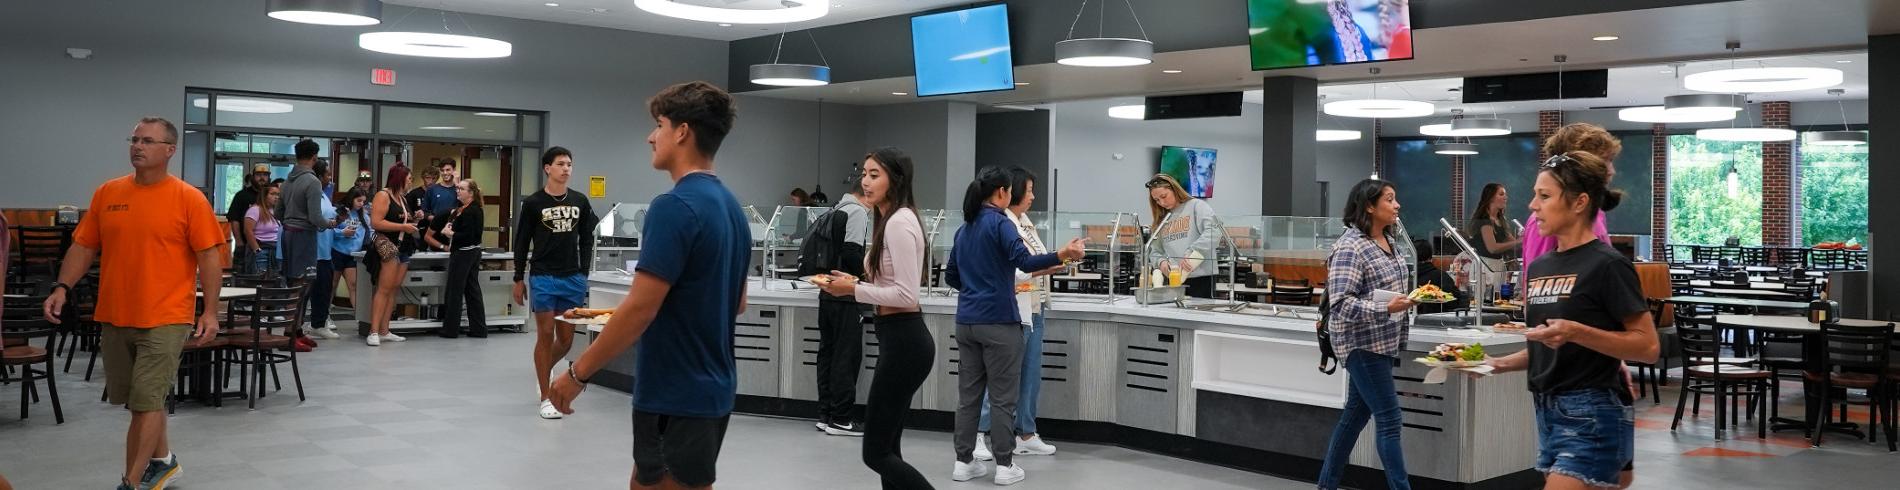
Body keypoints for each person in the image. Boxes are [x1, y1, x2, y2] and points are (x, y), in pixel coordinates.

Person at [546, 81, 751, 490]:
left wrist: (577, 373)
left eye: (659, 124)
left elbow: (641, 309)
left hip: (676, 392)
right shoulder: (731, 207)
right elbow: (738, 302)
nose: (651, 136)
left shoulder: (673, 207)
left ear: (682, 132)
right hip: (713, 388)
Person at [43, 117, 224, 490]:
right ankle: (164, 461)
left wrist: (209, 311)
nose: (137, 146)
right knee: (139, 401)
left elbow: (209, 257)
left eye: (148, 141)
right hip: (116, 314)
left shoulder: (189, 198)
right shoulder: (108, 193)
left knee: (145, 402)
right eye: (135, 139)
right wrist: (62, 286)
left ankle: (132, 481)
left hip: (167, 316)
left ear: (170, 150)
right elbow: (84, 246)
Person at [1484, 150, 1658, 490]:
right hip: (1547, 410)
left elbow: (1648, 347)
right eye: (1536, 194)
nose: (1533, 205)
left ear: (1579, 202)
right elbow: (1552, 345)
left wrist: (1578, 332)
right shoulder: (1540, 267)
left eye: (1544, 196)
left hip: (1591, 411)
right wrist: (1496, 365)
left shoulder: (1608, 265)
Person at [943, 166, 1086, 486]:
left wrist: (977, 288)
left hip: (966, 322)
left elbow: (951, 275)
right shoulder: (1001, 223)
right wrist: (1063, 254)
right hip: (1000, 323)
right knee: (1003, 397)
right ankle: (1005, 465)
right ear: (1003, 193)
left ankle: (963, 461)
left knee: (968, 397)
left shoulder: (965, 228)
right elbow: (1026, 262)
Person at [814, 147, 932, 489]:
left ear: (895, 179)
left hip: (906, 342)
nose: (865, 181)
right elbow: (889, 284)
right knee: (888, 449)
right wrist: (856, 282)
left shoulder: (898, 223)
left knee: (875, 453)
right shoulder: (889, 219)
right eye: (864, 174)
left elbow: (906, 295)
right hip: (896, 337)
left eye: (874, 174)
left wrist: (853, 291)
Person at [1317, 179, 1420, 490]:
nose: (1397, 205)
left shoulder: (1389, 243)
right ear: (1370, 207)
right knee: (1389, 420)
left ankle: (1326, 485)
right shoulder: (1350, 247)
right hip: (1362, 345)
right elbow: (1342, 304)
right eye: (1390, 199)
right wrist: (1387, 309)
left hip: (1384, 342)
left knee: (1354, 418)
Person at [973, 167, 1061, 462]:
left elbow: (1032, 262)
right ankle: (979, 434)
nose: (1033, 196)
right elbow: (1015, 268)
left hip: (1035, 308)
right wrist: (1051, 263)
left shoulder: (1025, 223)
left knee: (1030, 376)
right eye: (1030, 189)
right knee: (1001, 379)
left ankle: (1026, 432)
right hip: (1012, 310)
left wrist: (1050, 265)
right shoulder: (1002, 223)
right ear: (1010, 192)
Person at [513, 146, 599, 419]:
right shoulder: (534, 203)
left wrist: (583, 272)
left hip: (571, 276)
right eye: (561, 164)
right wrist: (518, 277)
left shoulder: (580, 201)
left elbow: (587, 237)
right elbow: (522, 241)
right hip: (543, 275)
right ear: (547, 168)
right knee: (545, 334)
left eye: (569, 164)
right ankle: (545, 396)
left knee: (565, 340)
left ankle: (544, 369)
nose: (566, 169)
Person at [814, 166, 872, 437]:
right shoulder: (858, 212)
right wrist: (866, 277)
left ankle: (825, 414)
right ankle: (841, 418)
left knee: (827, 352)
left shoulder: (836, 208)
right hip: (846, 295)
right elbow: (851, 252)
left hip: (826, 290)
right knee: (846, 356)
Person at [1521, 123, 1620, 278]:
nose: (1611, 170)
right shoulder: (1544, 221)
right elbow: (1538, 288)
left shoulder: (1595, 213)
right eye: (1605, 161)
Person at [365, 165, 419, 346]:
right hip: (389, 246)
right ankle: (373, 331)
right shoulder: (383, 195)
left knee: (393, 290)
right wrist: (403, 227)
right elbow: (376, 222)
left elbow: (401, 220)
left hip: (404, 247)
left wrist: (414, 220)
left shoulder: (402, 198)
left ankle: (385, 330)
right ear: (400, 178)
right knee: (384, 289)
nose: (411, 181)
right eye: (409, 178)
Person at [429, 178, 489, 339]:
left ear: (470, 193)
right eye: (457, 188)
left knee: (455, 291)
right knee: (472, 290)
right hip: (471, 252)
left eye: (461, 189)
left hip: (464, 252)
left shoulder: (471, 211)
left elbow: (470, 235)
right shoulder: (466, 209)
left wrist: (451, 234)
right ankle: (479, 328)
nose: (458, 191)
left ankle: (450, 329)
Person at [1144, 174, 1221, 298]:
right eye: (1157, 200)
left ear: (1174, 189)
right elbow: (1155, 251)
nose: (1162, 203)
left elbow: (1214, 232)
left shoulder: (1197, 206)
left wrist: (1193, 251)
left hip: (1201, 278)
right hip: (1175, 279)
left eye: (1164, 196)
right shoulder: (1162, 219)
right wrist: (1161, 262)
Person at [303, 161, 343, 340]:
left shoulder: (324, 195)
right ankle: (299, 325)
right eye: (327, 174)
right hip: (313, 251)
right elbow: (315, 219)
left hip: (326, 250)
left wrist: (339, 217)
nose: (330, 177)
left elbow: (328, 217)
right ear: (319, 176)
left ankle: (318, 324)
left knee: (324, 289)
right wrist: (330, 222)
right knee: (307, 290)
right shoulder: (312, 193)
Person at [280, 139, 324, 282]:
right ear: (314, 157)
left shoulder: (286, 182)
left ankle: (289, 305)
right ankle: (295, 306)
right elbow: (315, 218)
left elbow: (277, 213)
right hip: (304, 234)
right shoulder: (313, 181)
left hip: (287, 234)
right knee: (304, 282)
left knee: (291, 279)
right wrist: (331, 223)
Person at [226, 163, 271, 273]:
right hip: (245, 245)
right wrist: (239, 241)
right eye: (258, 174)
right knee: (243, 278)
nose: (262, 178)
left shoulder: (272, 196)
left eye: (265, 175)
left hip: (269, 246)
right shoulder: (242, 195)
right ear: (253, 177)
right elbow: (234, 220)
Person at [331, 189, 369, 314]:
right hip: (337, 252)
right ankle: (324, 317)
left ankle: (360, 317)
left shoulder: (363, 215)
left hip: (353, 255)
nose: (361, 204)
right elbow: (328, 231)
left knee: (353, 285)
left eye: (363, 201)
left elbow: (369, 231)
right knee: (332, 285)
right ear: (351, 199)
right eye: (358, 201)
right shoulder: (340, 212)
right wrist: (342, 232)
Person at [1411, 239, 1470, 315]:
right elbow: (1455, 301)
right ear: (1430, 256)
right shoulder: (1440, 276)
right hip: (1438, 321)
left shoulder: (1408, 276)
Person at [1468, 183, 1522, 262]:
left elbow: (1513, 244)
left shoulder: (1500, 220)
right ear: (1491, 198)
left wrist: (1523, 238)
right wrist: (1519, 241)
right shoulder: (1484, 220)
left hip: (1498, 266)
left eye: (1505, 195)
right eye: (1501, 194)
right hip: (1485, 266)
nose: (1505, 197)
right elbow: (1492, 248)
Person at [244, 183, 282, 274]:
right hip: (261, 248)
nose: (276, 197)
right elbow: (248, 231)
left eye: (278, 194)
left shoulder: (276, 211)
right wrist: (257, 250)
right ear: (264, 196)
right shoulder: (255, 210)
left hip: (275, 249)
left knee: (275, 279)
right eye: (272, 194)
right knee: (260, 277)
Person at [423, 160, 460, 250]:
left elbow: (466, 205)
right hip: (435, 234)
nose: (445, 173)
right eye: (442, 170)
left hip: (456, 233)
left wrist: (457, 184)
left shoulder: (460, 188)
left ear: (454, 170)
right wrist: (436, 218)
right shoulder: (432, 189)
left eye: (448, 170)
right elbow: (425, 211)